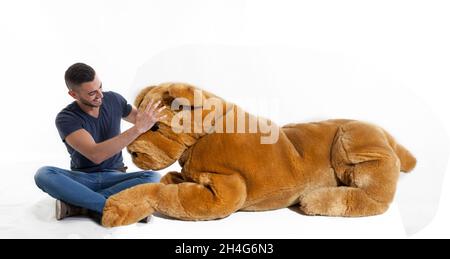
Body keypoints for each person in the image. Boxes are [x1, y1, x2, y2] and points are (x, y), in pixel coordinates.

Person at [34, 63, 166, 223]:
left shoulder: (114, 99)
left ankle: (80, 205)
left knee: (154, 177)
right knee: (43, 174)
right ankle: (116, 207)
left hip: (116, 176)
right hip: (82, 179)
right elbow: (95, 155)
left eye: (100, 87)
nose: (100, 95)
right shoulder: (66, 118)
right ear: (73, 94)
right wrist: (138, 129)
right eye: (92, 93)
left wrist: (161, 116)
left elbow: (145, 121)